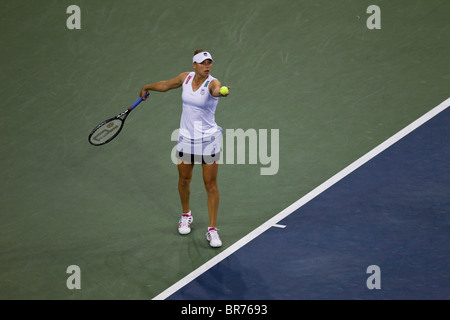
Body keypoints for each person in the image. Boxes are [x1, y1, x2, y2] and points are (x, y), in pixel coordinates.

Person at [140, 50, 229, 248]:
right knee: (184, 180)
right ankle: (186, 214)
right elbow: (165, 85)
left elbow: (216, 90)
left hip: (208, 140)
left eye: (210, 63)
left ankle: (212, 229)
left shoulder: (213, 83)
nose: (207, 67)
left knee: (210, 185)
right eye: (203, 63)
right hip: (186, 139)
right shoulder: (185, 78)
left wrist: (221, 92)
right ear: (194, 65)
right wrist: (148, 87)